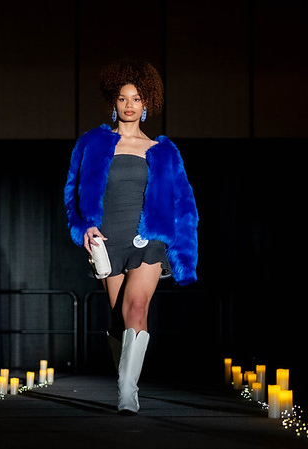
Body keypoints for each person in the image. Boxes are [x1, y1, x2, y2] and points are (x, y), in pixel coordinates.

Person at [64, 60, 199, 414]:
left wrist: (184, 254)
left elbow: (184, 204)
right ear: (114, 102)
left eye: (136, 98)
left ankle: (127, 392)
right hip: (108, 240)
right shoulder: (91, 143)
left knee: (137, 307)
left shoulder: (164, 150)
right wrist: (83, 228)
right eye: (123, 98)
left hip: (148, 238)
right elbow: (71, 194)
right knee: (117, 319)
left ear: (146, 103)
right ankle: (127, 381)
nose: (129, 105)